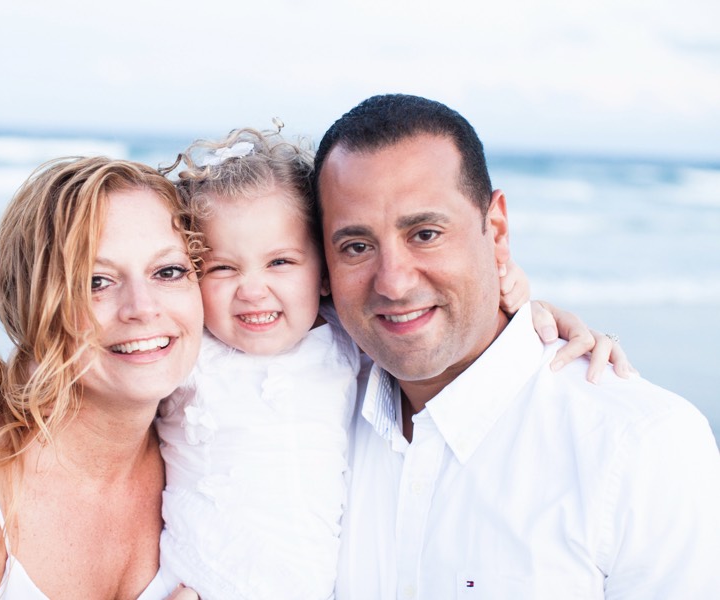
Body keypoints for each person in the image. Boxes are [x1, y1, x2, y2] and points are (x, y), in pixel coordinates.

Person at [153, 125, 633, 600]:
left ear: (322, 273)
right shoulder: (184, 353)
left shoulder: (342, 340)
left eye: (280, 262)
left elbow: (426, 324)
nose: (253, 289)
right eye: (222, 267)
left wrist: (530, 311)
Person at [313, 94, 720, 598]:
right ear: (323, 268)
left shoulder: (640, 445)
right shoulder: (306, 418)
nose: (392, 283)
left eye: (425, 233)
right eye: (356, 247)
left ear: (497, 231)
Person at [0, 157, 202, 599]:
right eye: (95, 281)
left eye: (168, 272)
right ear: (30, 303)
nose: (141, 306)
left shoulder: (203, 457)